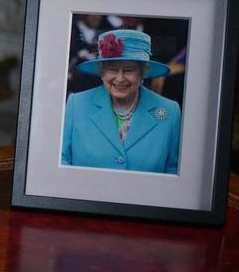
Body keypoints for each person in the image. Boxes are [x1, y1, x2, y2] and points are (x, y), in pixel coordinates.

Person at [61, 29, 182, 174]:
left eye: (129, 70)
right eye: (112, 69)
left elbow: (174, 171)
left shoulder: (170, 111)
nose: (119, 78)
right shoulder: (76, 105)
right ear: (102, 71)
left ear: (143, 72)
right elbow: (61, 159)